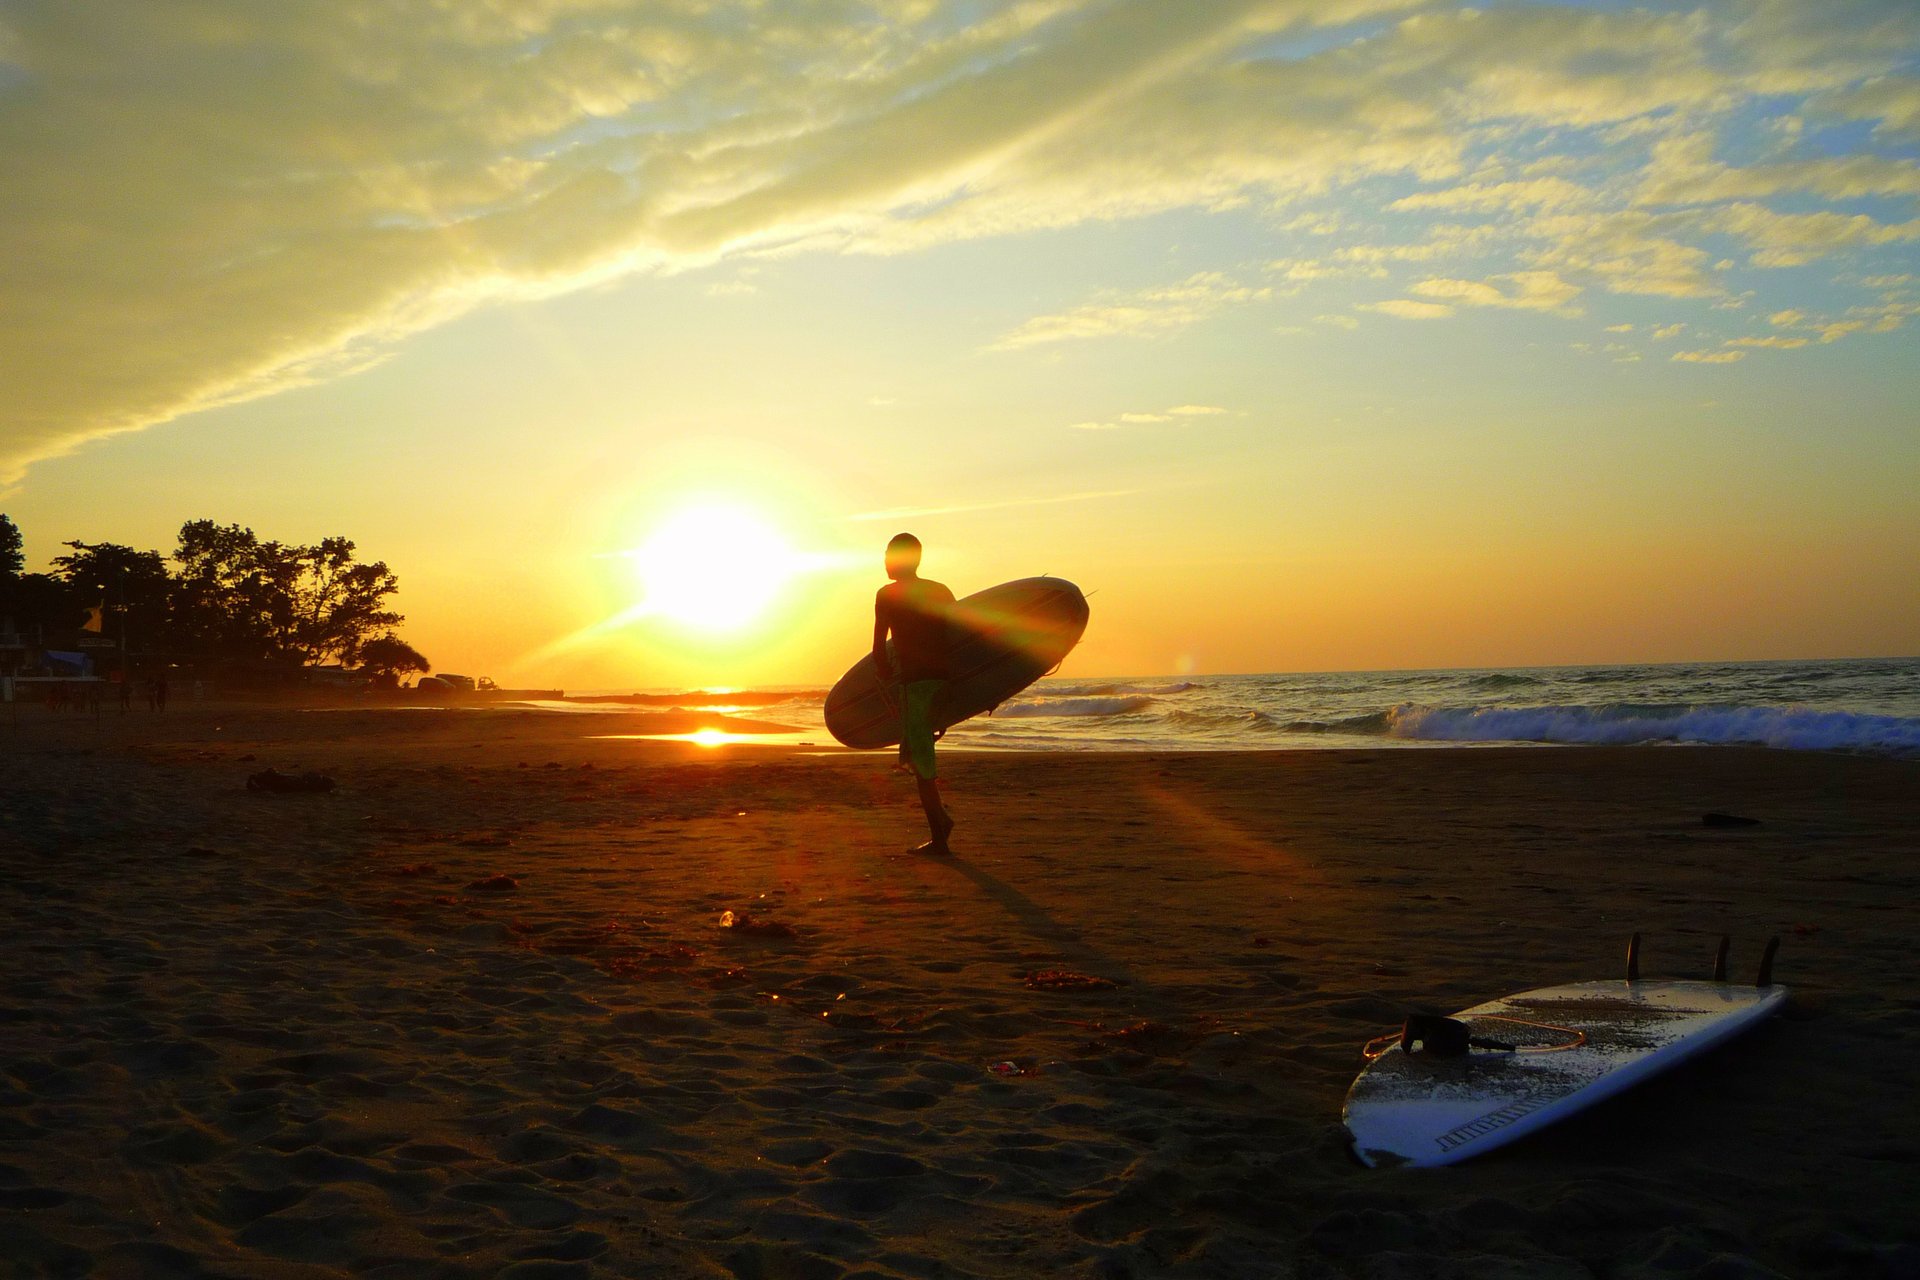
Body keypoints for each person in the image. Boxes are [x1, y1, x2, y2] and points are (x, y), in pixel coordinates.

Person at [873, 532, 956, 855]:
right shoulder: (940, 591)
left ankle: (940, 835)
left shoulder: (887, 595)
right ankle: (941, 823)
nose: (884, 561)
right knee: (922, 757)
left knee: (921, 763)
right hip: (944, 683)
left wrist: (883, 675)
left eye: (888, 555)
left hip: (915, 687)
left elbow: (879, 649)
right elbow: (959, 638)